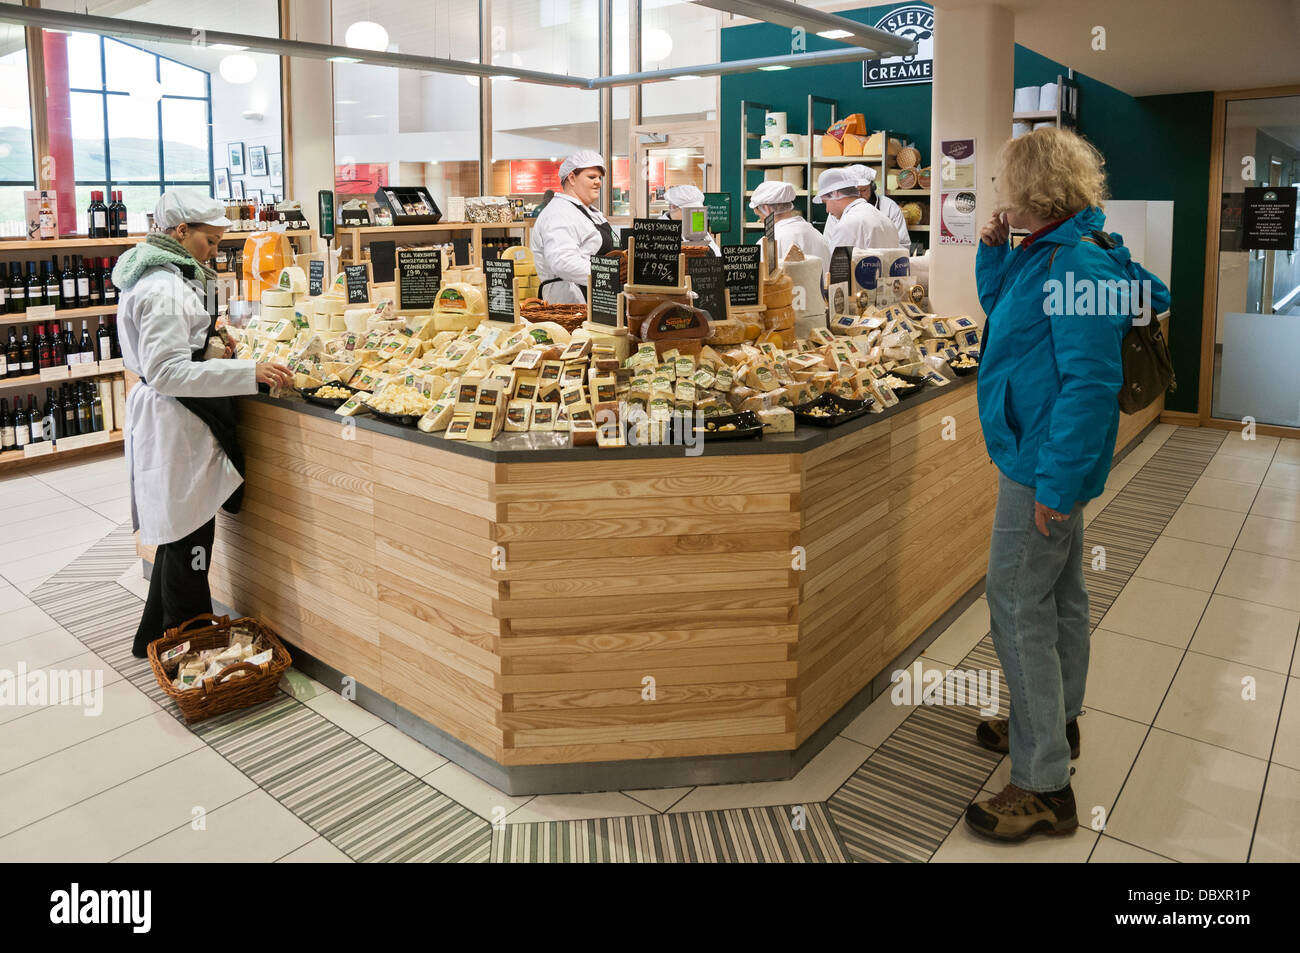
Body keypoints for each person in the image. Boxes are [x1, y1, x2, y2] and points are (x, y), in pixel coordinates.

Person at [966, 127, 1169, 842]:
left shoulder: (1076, 266)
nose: (1000, 195)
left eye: (1006, 185)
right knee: (1061, 593)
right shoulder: (1051, 252)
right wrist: (994, 245)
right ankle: (1059, 719)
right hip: (1044, 454)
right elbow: (1003, 317)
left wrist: (1053, 485)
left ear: (1034, 189)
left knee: (1016, 600)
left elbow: (1089, 386)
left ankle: (1043, 781)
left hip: (1046, 462)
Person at [119, 190, 292, 658]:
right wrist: (247, 372)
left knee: (181, 531)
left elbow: (178, 353)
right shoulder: (164, 289)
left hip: (174, 418)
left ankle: (153, 637)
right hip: (175, 419)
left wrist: (213, 345)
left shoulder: (161, 274)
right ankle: (189, 648)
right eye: (210, 242)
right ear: (180, 232)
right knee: (189, 537)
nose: (214, 252)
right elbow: (167, 371)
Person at [530, 150, 616, 303]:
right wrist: (608, 274)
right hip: (572, 301)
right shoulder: (558, 213)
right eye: (591, 177)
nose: (598, 182)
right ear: (572, 178)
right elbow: (563, 262)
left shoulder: (587, 212)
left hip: (596, 296)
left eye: (599, 177)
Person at [749, 180, 829, 275]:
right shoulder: (816, 234)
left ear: (767, 208)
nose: (761, 221)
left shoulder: (769, 242)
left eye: (759, 215)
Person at [813, 167, 896, 251]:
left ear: (835, 194)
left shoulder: (847, 225)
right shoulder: (886, 220)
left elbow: (836, 263)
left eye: (825, 203)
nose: (827, 210)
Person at [847, 164, 910, 247]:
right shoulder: (839, 209)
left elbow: (903, 245)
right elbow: (830, 242)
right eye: (854, 191)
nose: (859, 195)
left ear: (872, 187)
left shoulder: (889, 208)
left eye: (863, 190)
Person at [661, 183, 719, 255]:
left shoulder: (696, 227)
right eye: (689, 211)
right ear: (673, 207)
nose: (694, 216)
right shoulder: (660, 232)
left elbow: (717, 254)